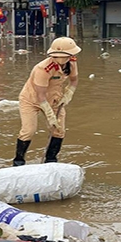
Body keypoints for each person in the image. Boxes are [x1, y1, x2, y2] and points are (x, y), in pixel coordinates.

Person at [13, 37, 80, 166]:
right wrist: (49, 115)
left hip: (55, 99)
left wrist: (69, 93)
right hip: (31, 100)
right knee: (28, 131)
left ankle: (51, 160)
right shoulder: (43, 69)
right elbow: (40, 95)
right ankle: (18, 162)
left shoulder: (71, 63)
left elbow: (74, 80)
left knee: (59, 130)